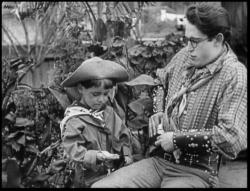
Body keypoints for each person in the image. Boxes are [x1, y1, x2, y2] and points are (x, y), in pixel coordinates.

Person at [91, 2, 247, 188]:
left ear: (217, 39)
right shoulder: (184, 56)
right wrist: (158, 110)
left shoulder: (234, 74)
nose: (188, 47)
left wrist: (177, 139)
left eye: (194, 41)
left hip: (197, 171)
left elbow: (232, 137)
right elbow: (160, 82)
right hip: (159, 162)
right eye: (187, 39)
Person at [59, 57, 133, 187]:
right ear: (81, 88)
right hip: (88, 179)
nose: (101, 100)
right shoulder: (75, 119)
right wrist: (95, 156)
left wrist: (126, 154)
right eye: (95, 94)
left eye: (105, 94)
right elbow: (72, 148)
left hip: (114, 174)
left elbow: (123, 134)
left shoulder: (109, 113)